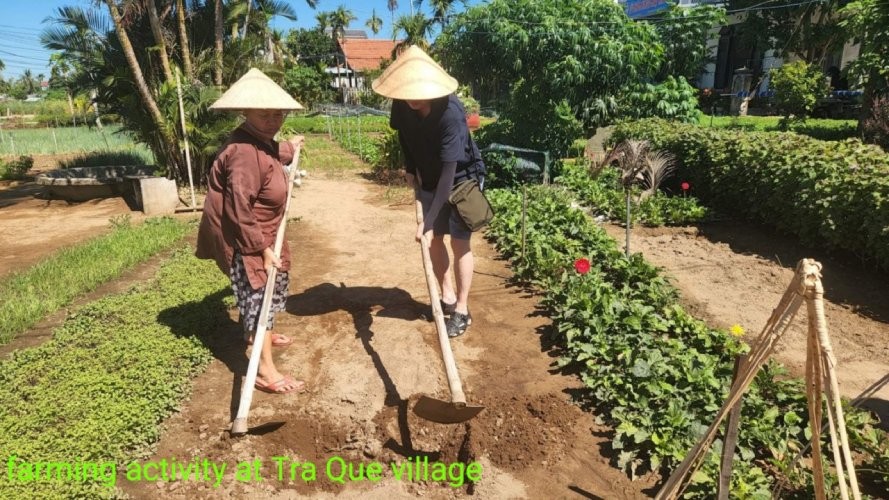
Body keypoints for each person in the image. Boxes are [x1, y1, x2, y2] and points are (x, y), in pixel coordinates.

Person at [196, 68, 305, 394]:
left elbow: (272, 151)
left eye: (279, 112)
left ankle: (262, 334)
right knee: (259, 295)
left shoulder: (259, 140)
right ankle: (265, 370)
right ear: (246, 112)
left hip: (266, 231)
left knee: (269, 293)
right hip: (246, 237)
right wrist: (262, 249)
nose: (274, 119)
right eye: (265, 113)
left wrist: (291, 145)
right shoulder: (242, 153)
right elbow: (239, 210)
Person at [371, 46, 486, 338]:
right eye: (407, 92)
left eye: (418, 93)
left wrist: (429, 217)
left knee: (460, 243)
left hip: (461, 178)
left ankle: (461, 309)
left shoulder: (451, 113)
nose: (412, 99)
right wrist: (410, 166)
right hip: (428, 178)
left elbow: (450, 171)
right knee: (433, 239)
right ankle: (446, 296)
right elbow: (404, 136)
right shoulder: (402, 104)